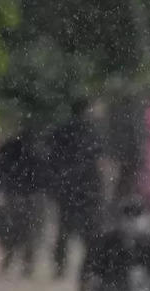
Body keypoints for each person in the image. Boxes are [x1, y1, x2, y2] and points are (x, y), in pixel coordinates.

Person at [45, 100, 105, 280]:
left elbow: (52, 157)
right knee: (91, 233)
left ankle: (60, 267)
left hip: (67, 187)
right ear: (87, 110)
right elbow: (99, 160)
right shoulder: (92, 131)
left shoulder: (61, 130)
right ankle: (87, 271)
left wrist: (55, 184)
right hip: (88, 187)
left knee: (64, 229)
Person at [0, 128, 50, 277]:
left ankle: (10, 259)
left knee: (12, 229)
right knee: (30, 231)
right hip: (32, 195)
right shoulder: (38, 152)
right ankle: (26, 263)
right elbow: (46, 175)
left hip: (15, 194)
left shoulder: (10, 150)